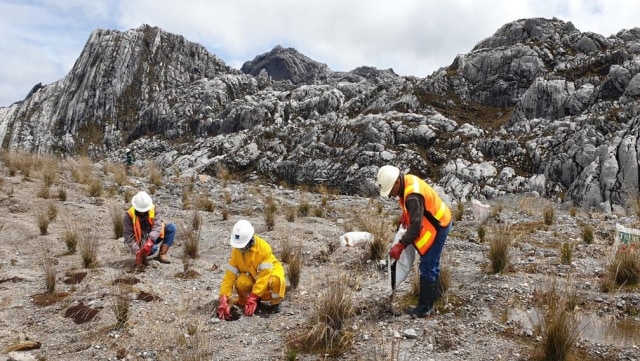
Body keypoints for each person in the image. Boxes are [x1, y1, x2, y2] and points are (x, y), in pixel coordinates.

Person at [376, 165, 452, 318]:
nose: (390, 195)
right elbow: (414, 210)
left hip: (438, 226)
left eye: (390, 190)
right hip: (442, 219)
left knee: (428, 265)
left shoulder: (412, 195)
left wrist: (400, 245)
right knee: (433, 263)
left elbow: (416, 226)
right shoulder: (407, 181)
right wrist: (406, 214)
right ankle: (433, 298)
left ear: (397, 182)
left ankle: (424, 308)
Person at [217, 220, 286, 320]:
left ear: (250, 240)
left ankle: (275, 304)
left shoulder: (263, 248)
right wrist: (224, 297)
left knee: (276, 280)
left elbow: (264, 276)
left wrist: (254, 295)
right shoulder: (236, 252)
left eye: (242, 246)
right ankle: (246, 302)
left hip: (269, 273)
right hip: (253, 275)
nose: (240, 249)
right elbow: (229, 276)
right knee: (241, 282)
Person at [123, 191, 177, 266]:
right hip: (140, 242)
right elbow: (128, 236)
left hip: (153, 237)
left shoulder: (154, 210)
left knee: (172, 227)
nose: (143, 212)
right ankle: (142, 256)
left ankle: (162, 254)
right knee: (153, 248)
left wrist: (150, 241)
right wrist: (137, 251)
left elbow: (157, 227)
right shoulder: (129, 215)